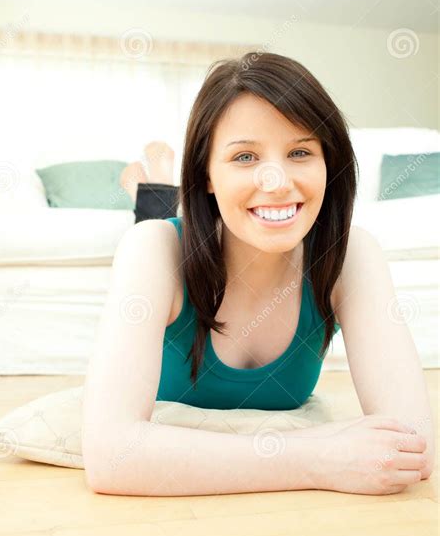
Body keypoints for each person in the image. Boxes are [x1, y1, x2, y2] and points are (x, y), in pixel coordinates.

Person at [83, 51, 433, 498]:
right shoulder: (153, 250)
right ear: (206, 173)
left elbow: (413, 448)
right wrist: (320, 456)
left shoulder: (351, 254)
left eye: (300, 151)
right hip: (187, 240)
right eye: (245, 156)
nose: (276, 180)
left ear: (330, 163)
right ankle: (153, 185)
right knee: (156, 219)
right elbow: (110, 457)